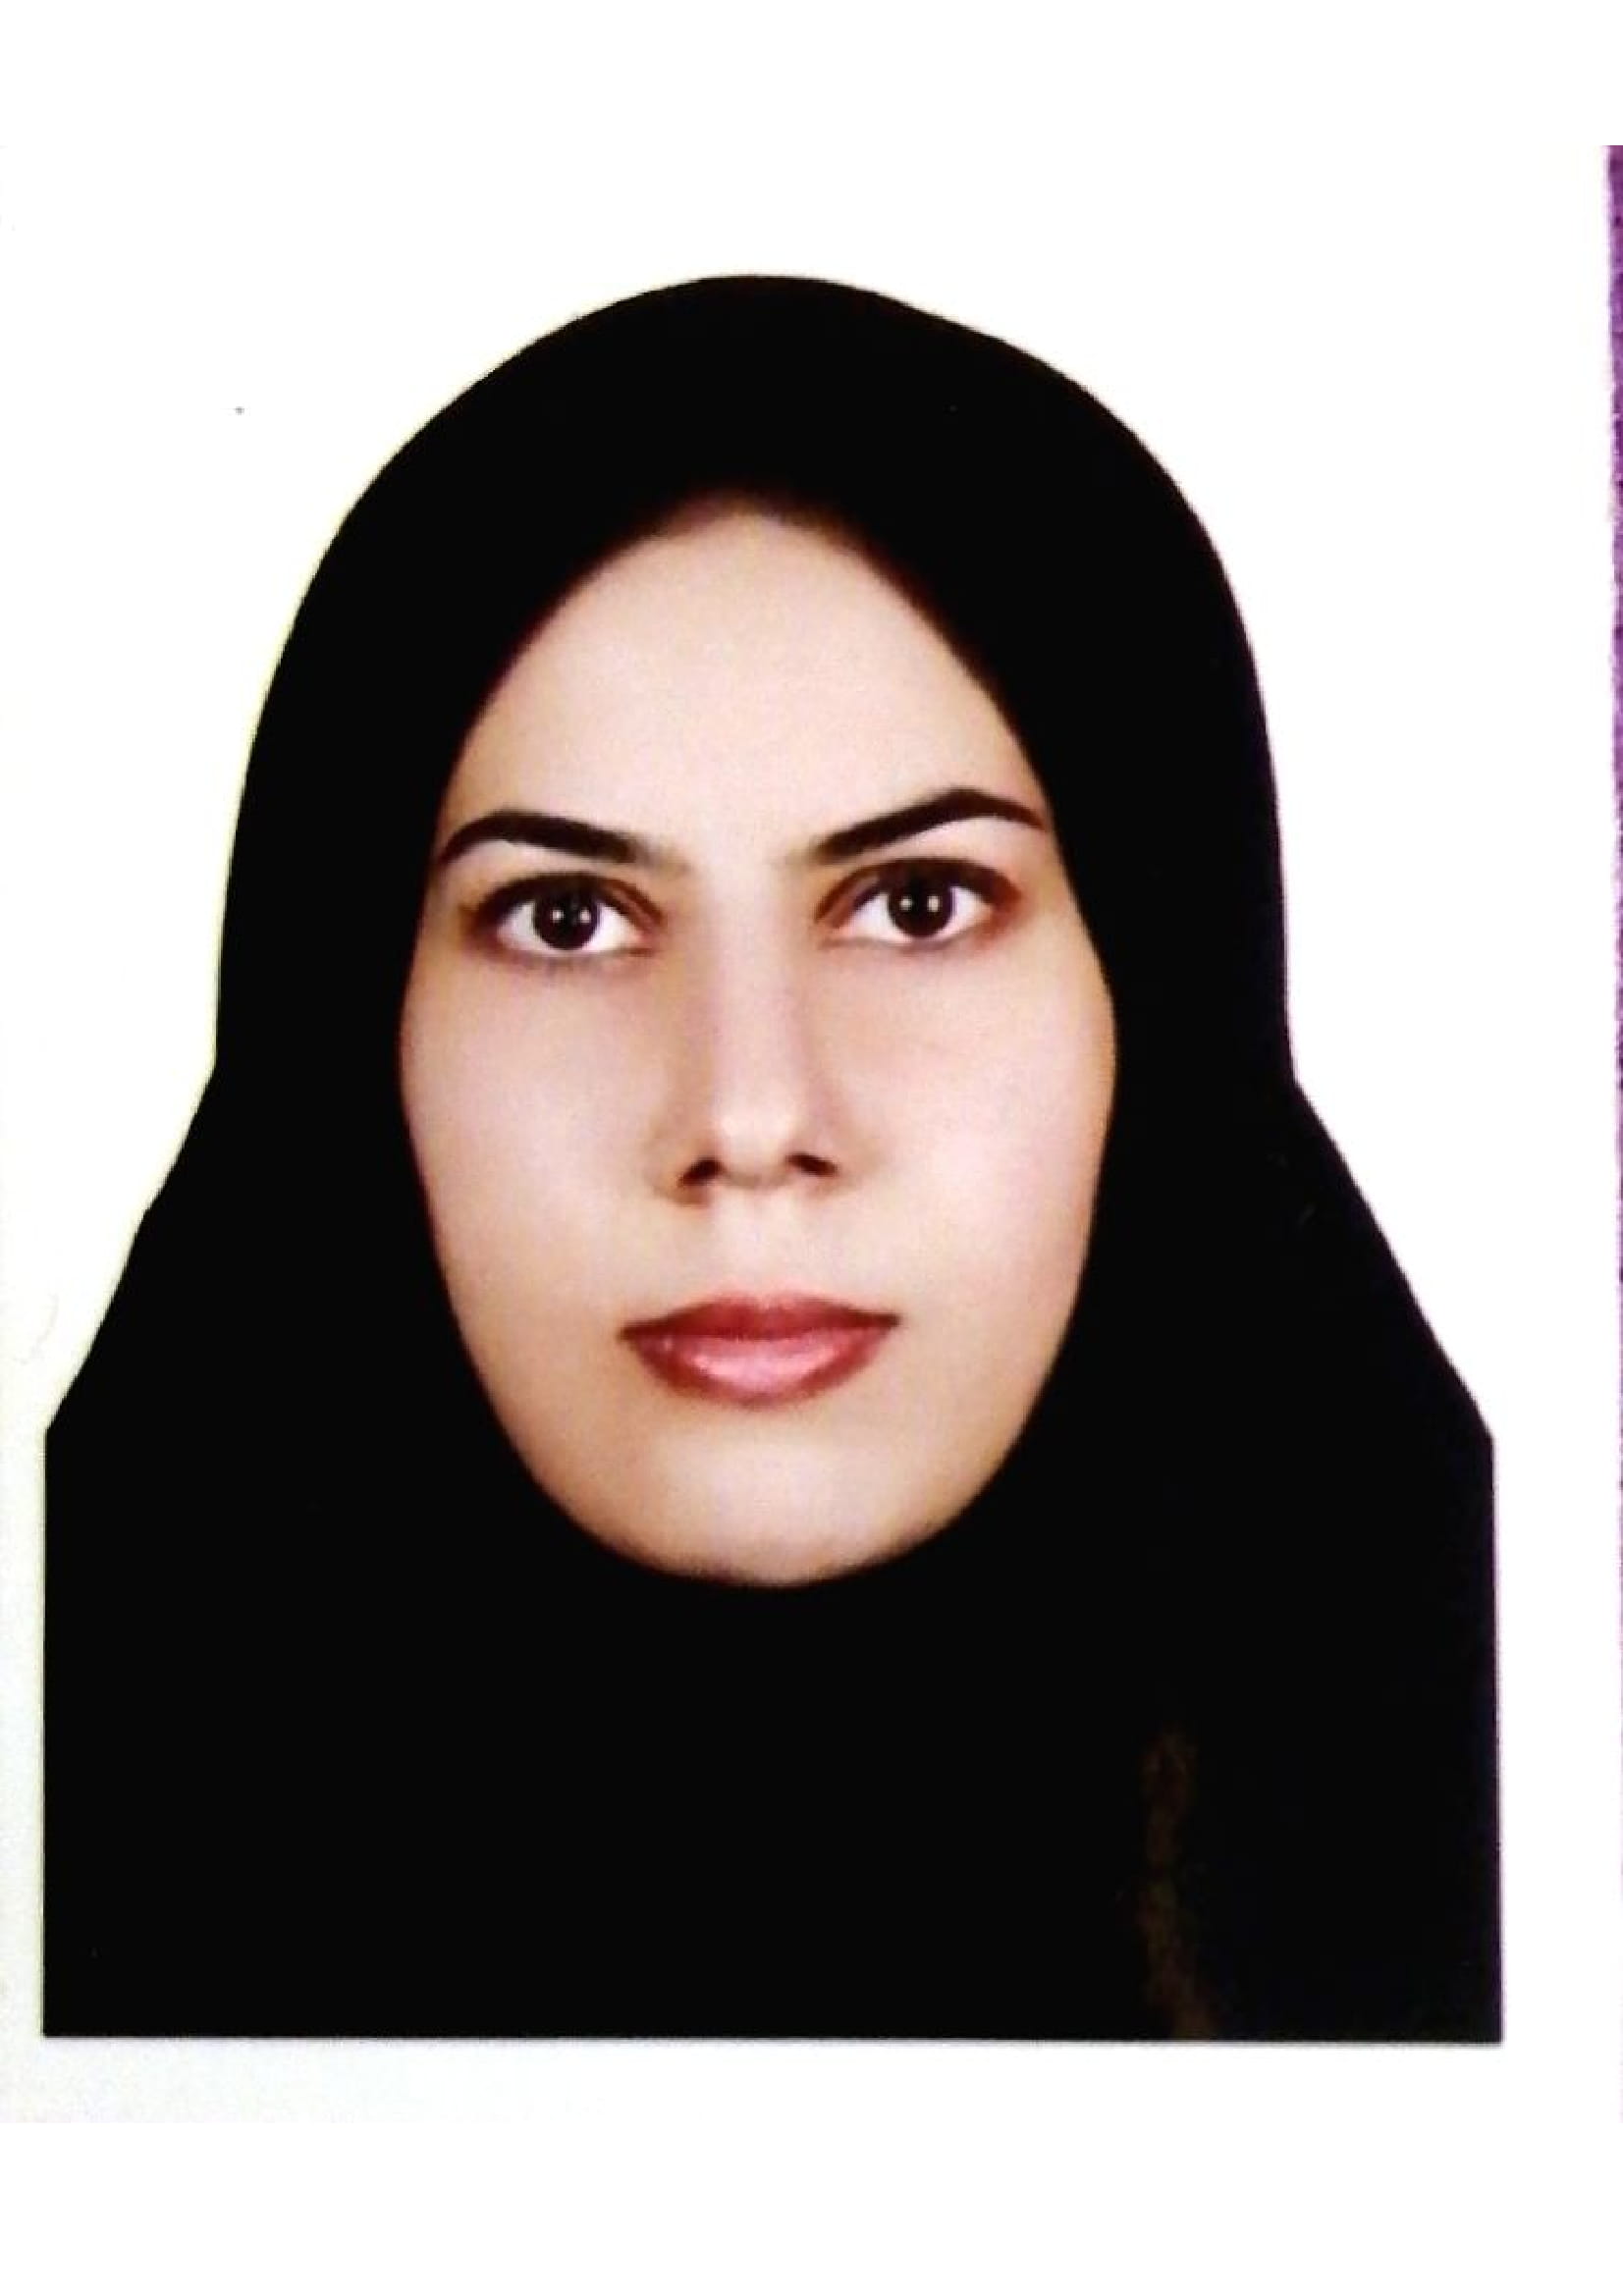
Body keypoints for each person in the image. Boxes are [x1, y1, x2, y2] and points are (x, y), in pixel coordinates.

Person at [45, 275, 1500, 2042]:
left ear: (1162, 995)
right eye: (566, 917)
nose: (744, 1119)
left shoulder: (1540, 1857)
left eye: (918, 903)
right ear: (350, 1022)